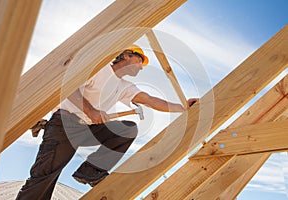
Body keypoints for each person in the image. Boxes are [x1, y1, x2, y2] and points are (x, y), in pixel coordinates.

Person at [16, 45, 198, 199]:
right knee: (46, 175)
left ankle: (91, 171)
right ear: (126, 55)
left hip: (87, 128)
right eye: (140, 60)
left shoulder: (124, 86)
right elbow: (68, 88)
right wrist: (91, 110)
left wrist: (183, 106)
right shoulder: (99, 69)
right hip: (64, 124)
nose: (141, 67)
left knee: (127, 130)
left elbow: (151, 100)